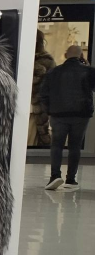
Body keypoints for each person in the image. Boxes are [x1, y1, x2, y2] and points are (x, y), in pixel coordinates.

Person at [39, 45, 92, 190]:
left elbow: (43, 94)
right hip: (81, 114)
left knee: (57, 145)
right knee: (75, 146)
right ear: (81, 56)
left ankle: (55, 176)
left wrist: (49, 110)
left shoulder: (53, 72)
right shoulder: (88, 71)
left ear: (65, 55)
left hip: (58, 114)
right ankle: (71, 180)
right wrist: (88, 67)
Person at [30, 30, 56, 147]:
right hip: (17, 107)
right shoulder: (15, 57)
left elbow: (52, 87)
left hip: (36, 112)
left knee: (29, 144)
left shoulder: (47, 61)